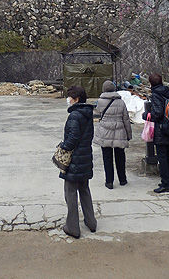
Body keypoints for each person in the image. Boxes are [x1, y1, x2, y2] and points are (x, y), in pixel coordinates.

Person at [59, 85, 97, 239]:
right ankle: (91, 222)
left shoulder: (75, 116)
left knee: (70, 193)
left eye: (70, 97)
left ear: (76, 99)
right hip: (85, 157)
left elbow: (73, 138)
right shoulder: (87, 114)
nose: (68, 100)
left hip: (74, 160)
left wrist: (64, 146)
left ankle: (73, 227)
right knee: (85, 190)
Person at [142, 73, 169, 193]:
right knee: (168, 157)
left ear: (151, 83)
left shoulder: (156, 94)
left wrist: (147, 115)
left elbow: (158, 113)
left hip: (161, 129)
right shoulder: (168, 92)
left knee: (162, 157)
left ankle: (166, 184)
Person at [93, 80, 132, 189]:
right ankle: (122, 179)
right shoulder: (121, 102)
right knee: (120, 157)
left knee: (107, 157)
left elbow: (97, 114)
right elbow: (126, 119)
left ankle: (109, 181)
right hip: (119, 131)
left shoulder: (100, 102)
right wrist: (128, 135)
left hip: (105, 132)